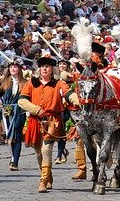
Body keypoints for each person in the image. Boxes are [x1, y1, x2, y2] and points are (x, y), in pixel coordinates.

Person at [17, 55, 77, 193]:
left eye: (48, 66)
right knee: (38, 152)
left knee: (46, 150)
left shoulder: (58, 83)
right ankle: (47, 176)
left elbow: (68, 93)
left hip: (52, 121)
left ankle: (43, 181)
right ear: (39, 68)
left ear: (52, 69)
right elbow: (21, 100)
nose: (45, 68)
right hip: (35, 120)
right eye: (42, 66)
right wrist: (36, 110)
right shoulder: (31, 83)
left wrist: (76, 100)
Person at [0, 59, 27, 171]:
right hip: (7, 112)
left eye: (15, 67)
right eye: (11, 67)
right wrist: (0, 103)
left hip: (19, 111)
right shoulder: (5, 82)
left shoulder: (25, 83)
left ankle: (15, 161)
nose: (13, 69)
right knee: (9, 136)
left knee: (17, 136)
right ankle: (12, 157)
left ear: (19, 69)